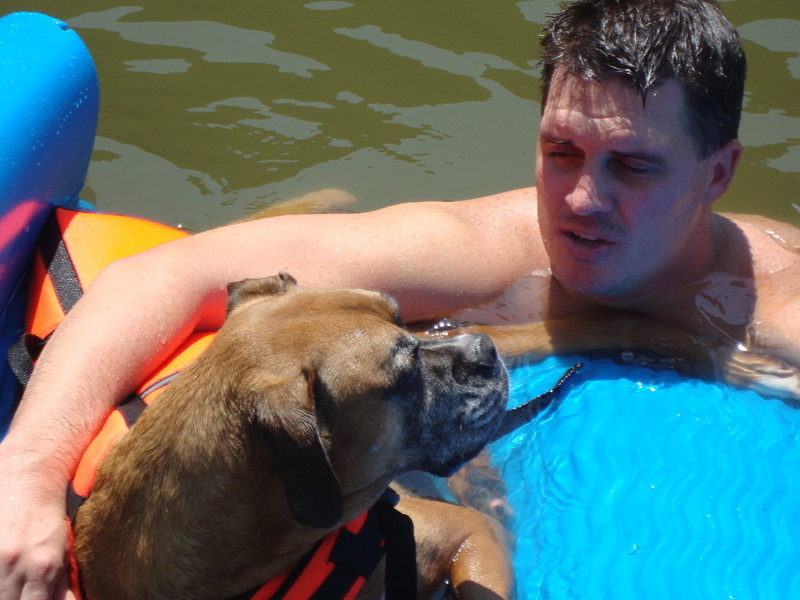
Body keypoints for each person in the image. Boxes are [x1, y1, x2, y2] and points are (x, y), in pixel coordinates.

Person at [2, 0, 800, 597]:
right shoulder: (491, 252)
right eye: (561, 151)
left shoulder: (776, 312)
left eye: (632, 166)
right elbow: (161, 276)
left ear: (719, 173)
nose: (581, 199)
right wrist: (29, 473)